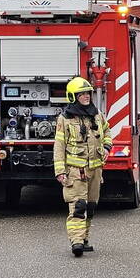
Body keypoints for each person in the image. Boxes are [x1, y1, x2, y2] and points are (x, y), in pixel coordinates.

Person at [54, 77, 113, 257]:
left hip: (95, 171)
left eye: (88, 93)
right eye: (82, 94)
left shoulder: (97, 115)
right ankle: (76, 241)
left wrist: (107, 147)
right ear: (73, 96)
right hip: (75, 172)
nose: (86, 97)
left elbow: (107, 131)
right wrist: (60, 172)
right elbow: (59, 146)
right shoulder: (64, 119)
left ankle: (85, 238)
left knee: (91, 207)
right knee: (78, 206)